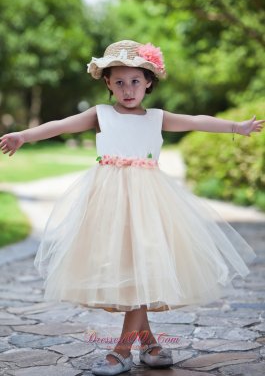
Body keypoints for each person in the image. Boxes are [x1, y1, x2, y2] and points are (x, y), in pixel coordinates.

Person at [0, 39, 264, 376]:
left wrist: (235, 127)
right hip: (108, 204)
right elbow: (61, 125)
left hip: (151, 203)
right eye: (120, 82)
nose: (128, 90)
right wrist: (24, 135)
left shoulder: (156, 117)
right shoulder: (101, 114)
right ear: (107, 83)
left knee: (144, 268)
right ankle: (150, 344)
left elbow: (196, 120)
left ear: (149, 82)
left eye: (135, 81)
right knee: (131, 270)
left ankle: (123, 351)